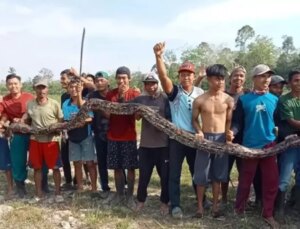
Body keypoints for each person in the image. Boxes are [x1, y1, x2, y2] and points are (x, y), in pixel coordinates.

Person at [153, 42, 204, 218]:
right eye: (183, 74)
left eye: (189, 74)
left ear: (194, 76)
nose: (186, 77)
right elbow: (162, 76)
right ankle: (175, 205)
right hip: (177, 138)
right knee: (174, 173)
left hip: (195, 138)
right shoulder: (175, 93)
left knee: (196, 173)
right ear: (180, 77)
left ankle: (201, 202)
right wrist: (159, 57)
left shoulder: (200, 92)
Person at [228, 64, 279, 228]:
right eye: (263, 76)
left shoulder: (275, 100)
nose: (266, 80)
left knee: (271, 181)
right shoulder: (244, 99)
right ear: (255, 79)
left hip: (269, 146)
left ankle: (268, 213)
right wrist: (232, 132)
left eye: (268, 76)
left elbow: (279, 122)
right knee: (245, 180)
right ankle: (239, 209)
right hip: (249, 146)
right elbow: (238, 122)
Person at [192, 64, 234, 218]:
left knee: (218, 175)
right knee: (201, 175)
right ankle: (200, 207)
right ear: (209, 79)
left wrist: (229, 135)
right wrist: (199, 131)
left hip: (221, 138)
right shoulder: (200, 100)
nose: (220, 82)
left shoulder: (228, 100)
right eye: (217, 78)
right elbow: (194, 120)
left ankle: (216, 207)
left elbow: (229, 121)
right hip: (205, 138)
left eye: (222, 79)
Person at [134, 72, 170, 215]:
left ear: (158, 84)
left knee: (165, 176)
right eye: (148, 84)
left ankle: (165, 202)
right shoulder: (141, 99)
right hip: (145, 145)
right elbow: (136, 118)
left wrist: (159, 122)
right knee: (144, 175)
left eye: (153, 83)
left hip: (163, 145)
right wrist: (139, 113)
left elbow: (170, 118)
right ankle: (141, 201)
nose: (151, 87)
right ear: (145, 85)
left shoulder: (165, 98)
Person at [22, 78, 63, 202]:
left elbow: (61, 121)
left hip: (51, 140)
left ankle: (57, 192)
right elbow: (28, 119)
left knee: (55, 167)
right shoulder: (30, 104)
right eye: (39, 88)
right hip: (35, 140)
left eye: (43, 87)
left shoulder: (54, 104)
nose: (41, 90)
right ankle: (39, 193)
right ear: (35, 89)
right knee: (37, 168)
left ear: (47, 89)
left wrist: (56, 129)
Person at [105, 66, 140, 207]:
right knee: (117, 168)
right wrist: (118, 98)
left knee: (130, 168)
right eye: (119, 78)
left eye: (124, 78)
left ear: (129, 79)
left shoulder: (135, 95)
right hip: (113, 136)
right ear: (115, 79)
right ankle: (119, 195)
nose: (121, 81)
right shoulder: (110, 95)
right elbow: (107, 115)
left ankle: (130, 196)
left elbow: (138, 117)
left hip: (129, 136)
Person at [0, 73, 34, 198]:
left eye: (15, 83)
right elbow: (2, 115)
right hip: (17, 134)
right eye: (10, 84)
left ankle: (43, 183)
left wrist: (24, 118)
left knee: (37, 159)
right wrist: (3, 122)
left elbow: (35, 110)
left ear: (21, 85)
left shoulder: (29, 97)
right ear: (7, 85)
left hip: (33, 132)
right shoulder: (5, 100)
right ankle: (20, 185)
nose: (13, 86)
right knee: (18, 160)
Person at [62, 78, 97, 194]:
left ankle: (94, 188)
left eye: (76, 87)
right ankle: (80, 187)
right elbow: (67, 120)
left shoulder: (86, 102)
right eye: (71, 87)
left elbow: (90, 117)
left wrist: (82, 120)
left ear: (81, 88)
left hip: (85, 136)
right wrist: (76, 121)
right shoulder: (65, 104)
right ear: (68, 89)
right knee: (77, 163)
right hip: (72, 137)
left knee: (90, 163)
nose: (74, 89)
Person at [276, 70, 300, 218]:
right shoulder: (284, 100)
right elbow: (292, 122)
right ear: (290, 82)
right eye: (296, 80)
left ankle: (296, 205)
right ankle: (279, 208)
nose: (299, 83)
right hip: (290, 143)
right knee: (284, 177)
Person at [221, 66, 247, 203]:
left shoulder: (247, 96)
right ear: (230, 78)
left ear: (245, 79)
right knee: (225, 170)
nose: (238, 78)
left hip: (243, 138)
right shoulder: (222, 95)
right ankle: (224, 197)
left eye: (242, 76)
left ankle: (241, 199)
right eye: (236, 75)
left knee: (243, 170)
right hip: (224, 137)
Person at [89, 71, 111, 197]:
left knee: (117, 160)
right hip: (99, 133)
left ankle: (122, 185)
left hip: (114, 132)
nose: (99, 83)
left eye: (102, 80)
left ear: (107, 81)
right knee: (101, 161)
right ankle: (105, 186)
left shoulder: (113, 94)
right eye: (97, 81)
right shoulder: (93, 96)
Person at [0, 102, 13, 199]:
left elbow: (5, 115)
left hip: (1, 136)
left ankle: (10, 188)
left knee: (6, 163)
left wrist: (2, 122)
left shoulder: (2, 103)